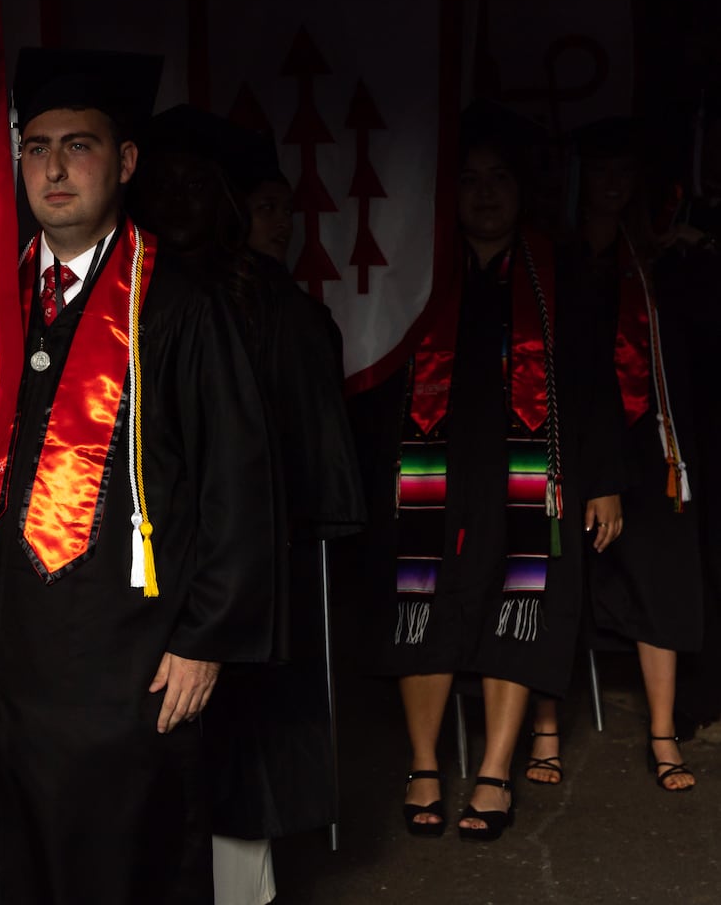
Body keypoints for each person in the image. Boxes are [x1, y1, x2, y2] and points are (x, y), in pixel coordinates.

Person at [0, 52, 278, 905]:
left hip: (116, 663)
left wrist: (207, 638)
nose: (55, 169)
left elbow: (236, 482)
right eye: (36, 148)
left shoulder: (178, 303)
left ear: (127, 162)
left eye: (79, 146)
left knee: (99, 866)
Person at [366, 101, 624, 842]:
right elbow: (380, 373)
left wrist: (603, 478)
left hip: (531, 468)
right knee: (423, 602)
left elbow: (595, 380)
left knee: (523, 602)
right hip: (428, 468)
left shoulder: (558, 268)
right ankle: (424, 764)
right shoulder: (419, 270)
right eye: (470, 178)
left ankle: (494, 771)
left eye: (499, 177)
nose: (484, 193)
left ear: (522, 188)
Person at [132, 106, 366, 905]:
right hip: (189, 571)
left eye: (194, 187)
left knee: (214, 772)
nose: (179, 203)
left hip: (216, 571)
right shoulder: (140, 300)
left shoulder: (254, 304)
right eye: (168, 187)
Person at [527, 117, 712, 791]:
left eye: (622, 173)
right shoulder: (553, 256)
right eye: (599, 171)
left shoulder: (654, 256)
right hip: (568, 435)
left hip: (652, 438)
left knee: (661, 573)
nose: (612, 184)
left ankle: (662, 735)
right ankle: (545, 730)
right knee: (553, 574)